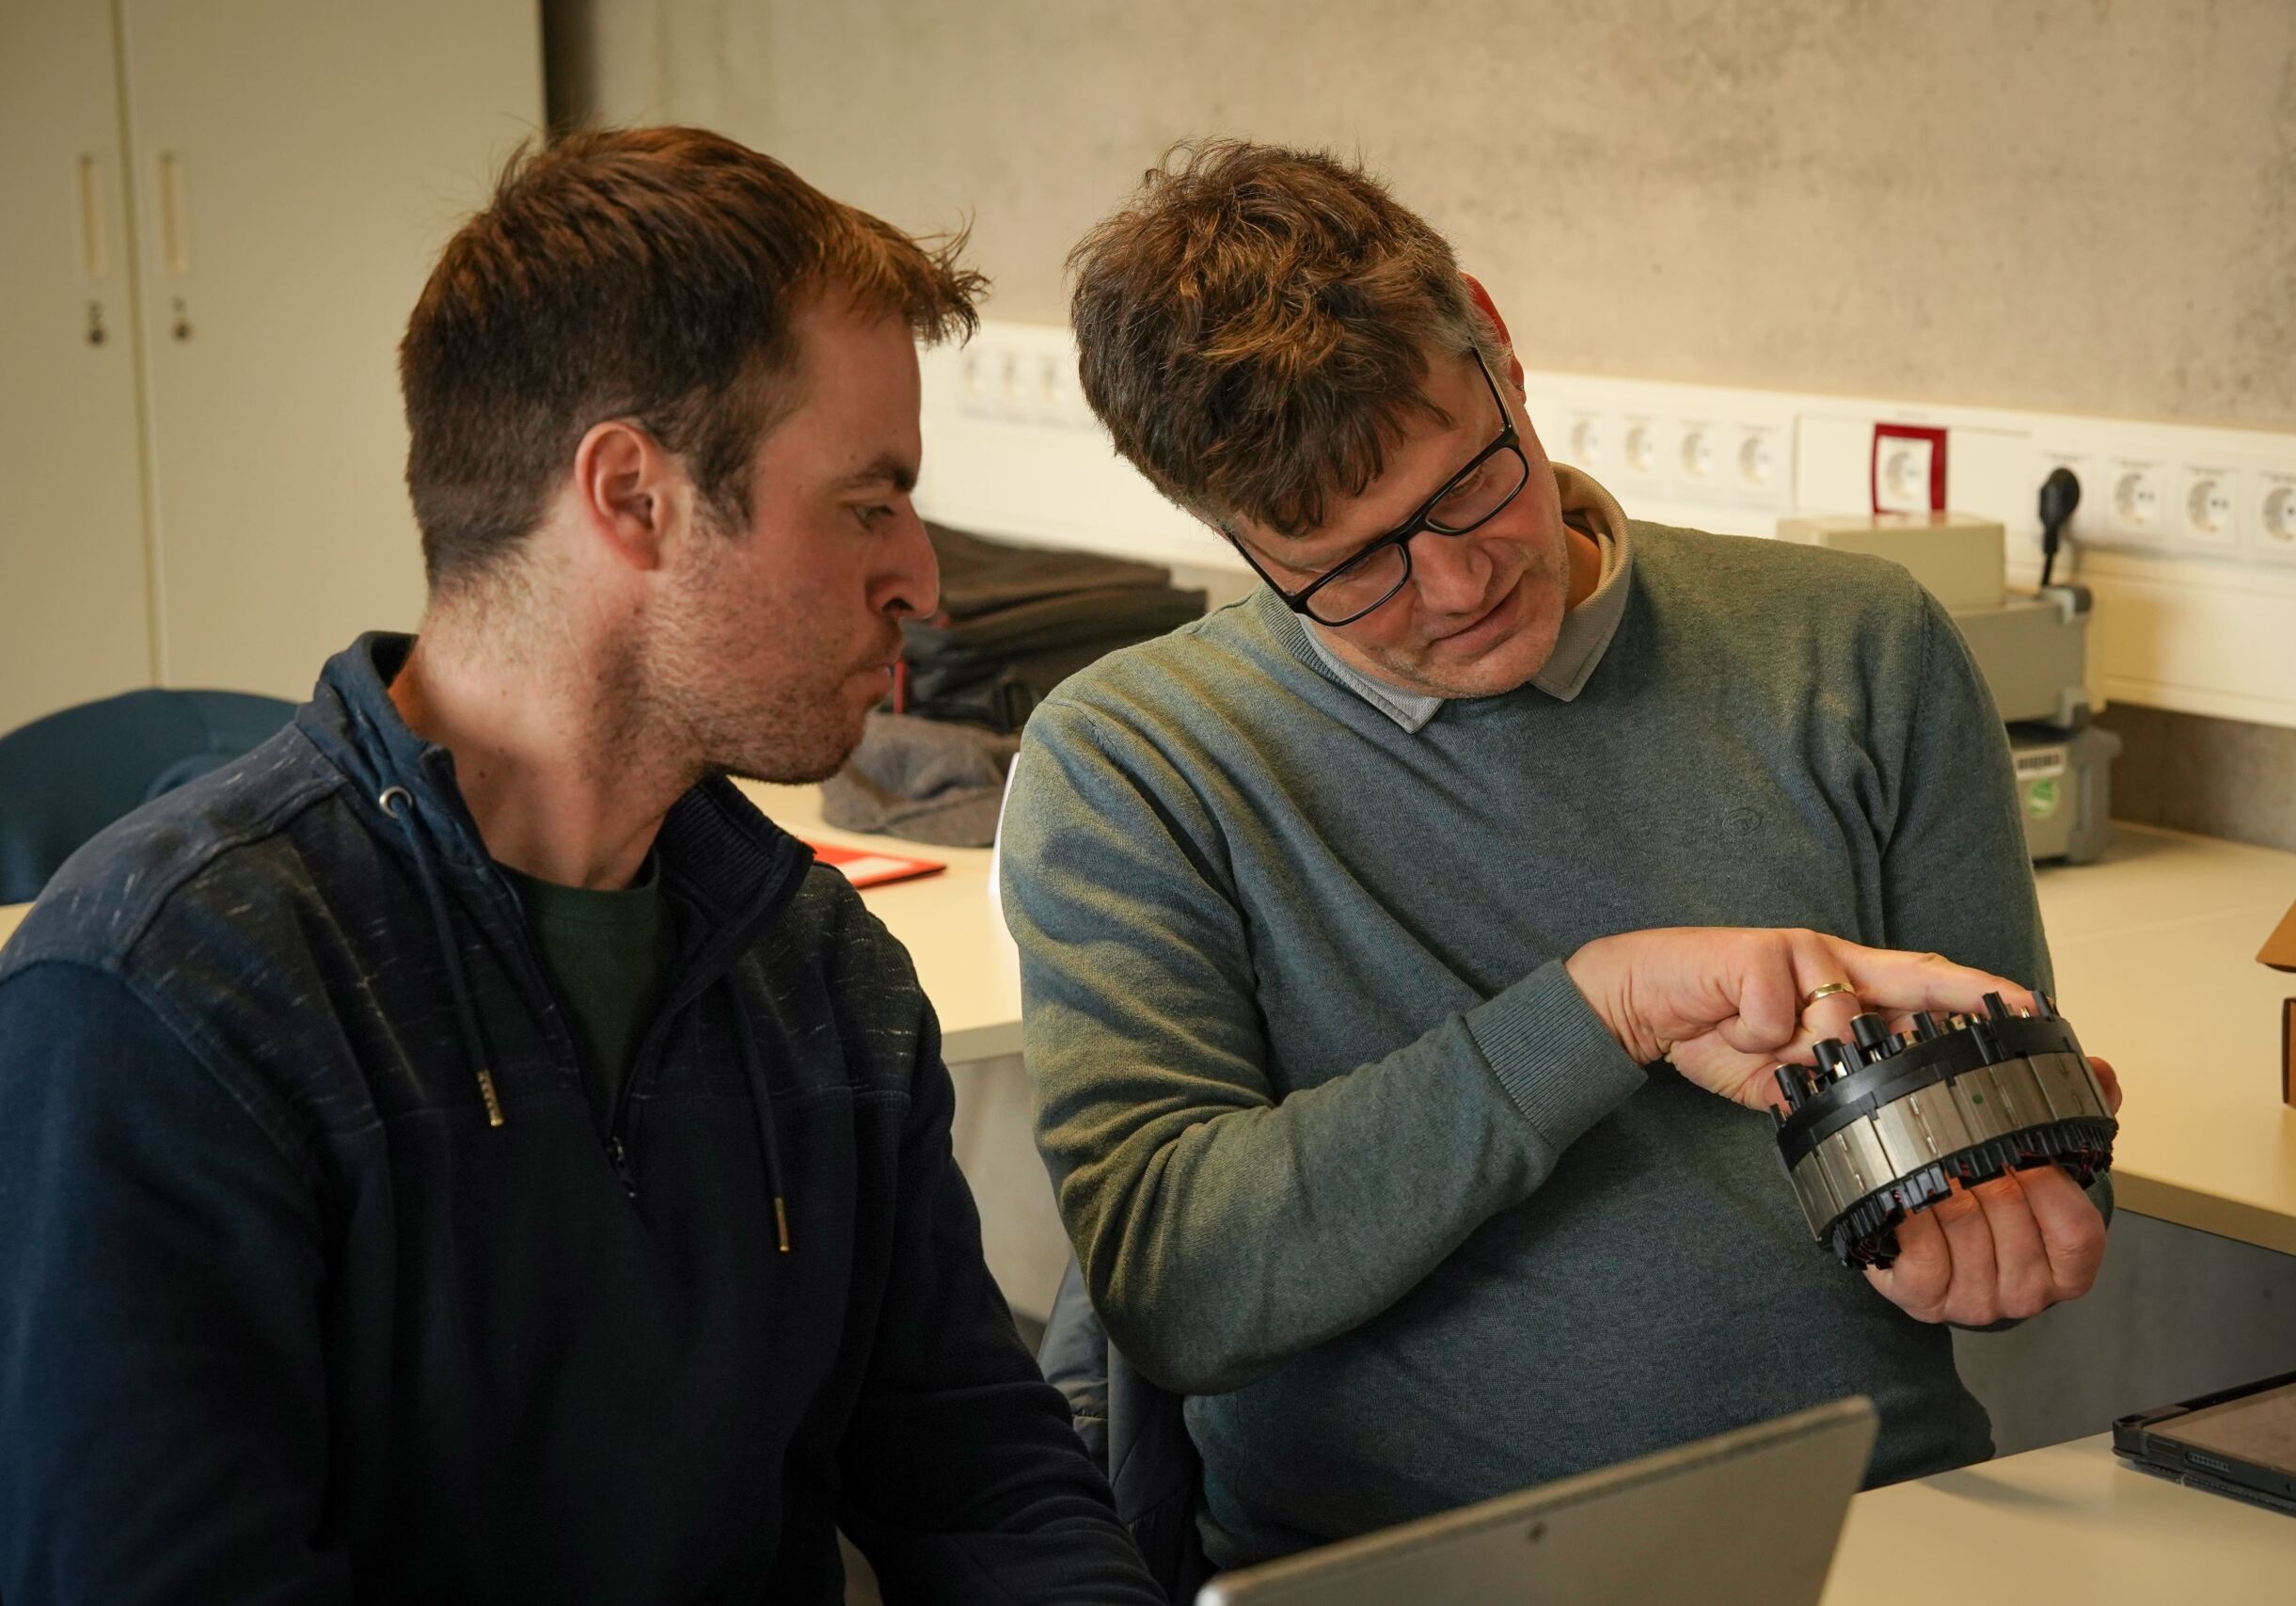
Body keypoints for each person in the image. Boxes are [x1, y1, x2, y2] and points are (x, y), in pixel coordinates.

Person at [0, 127, 1160, 1604]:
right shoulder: (166, 994)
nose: (922, 581)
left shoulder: (813, 966)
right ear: (630, 495)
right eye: (868, 501)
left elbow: (979, 1468)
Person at [1001, 139, 2121, 1574]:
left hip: (1868, 1541)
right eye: (1350, 567)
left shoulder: (1857, 649)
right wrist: (1604, 1010)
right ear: (1228, 533)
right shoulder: (1134, 763)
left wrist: (2010, 1194)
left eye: (1469, 486)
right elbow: (1179, 1287)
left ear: (1498, 345)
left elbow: (2017, 1139)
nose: (1456, 584)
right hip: (1397, 1577)